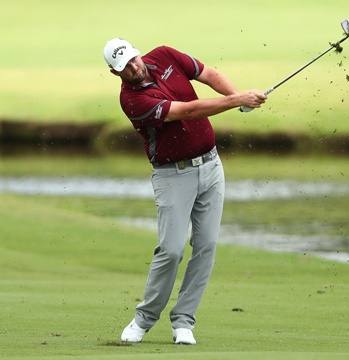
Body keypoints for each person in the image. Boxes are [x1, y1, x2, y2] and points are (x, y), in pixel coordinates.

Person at [102, 37, 266, 345]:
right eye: (125, 67)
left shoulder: (164, 55)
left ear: (137, 52)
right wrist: (237, 100)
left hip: (212, 166)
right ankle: (144, 319)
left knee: (206, 245)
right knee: (172, 249)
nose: (134, 67)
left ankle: (183, 321)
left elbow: (208, 74)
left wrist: (235, 95)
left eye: (134, 59)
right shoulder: (132, 101)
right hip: (172, 175)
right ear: (116, 73)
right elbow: (188, 111)